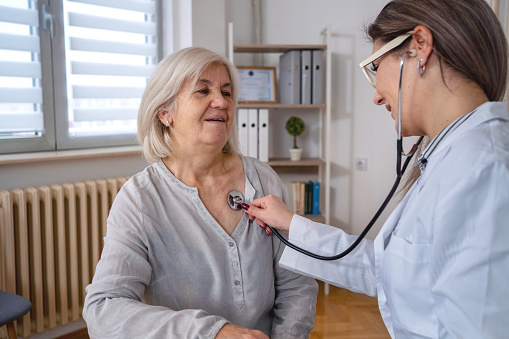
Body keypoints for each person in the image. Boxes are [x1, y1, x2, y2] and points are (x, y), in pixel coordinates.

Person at [244, 0, 509, 338]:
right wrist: (290, 223)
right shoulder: (457, 157)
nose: (377, 97)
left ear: (420, 48)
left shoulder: (483, 168)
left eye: (374, 66)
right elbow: (384, 269)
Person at [83, 47, 318, 339]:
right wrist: (212, 333)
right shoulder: (139, 199)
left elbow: (297, 284)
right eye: (202, 91)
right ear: (165, 112)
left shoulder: (264, 179)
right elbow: (104, 309)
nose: (220, 101)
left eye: (227, 92)